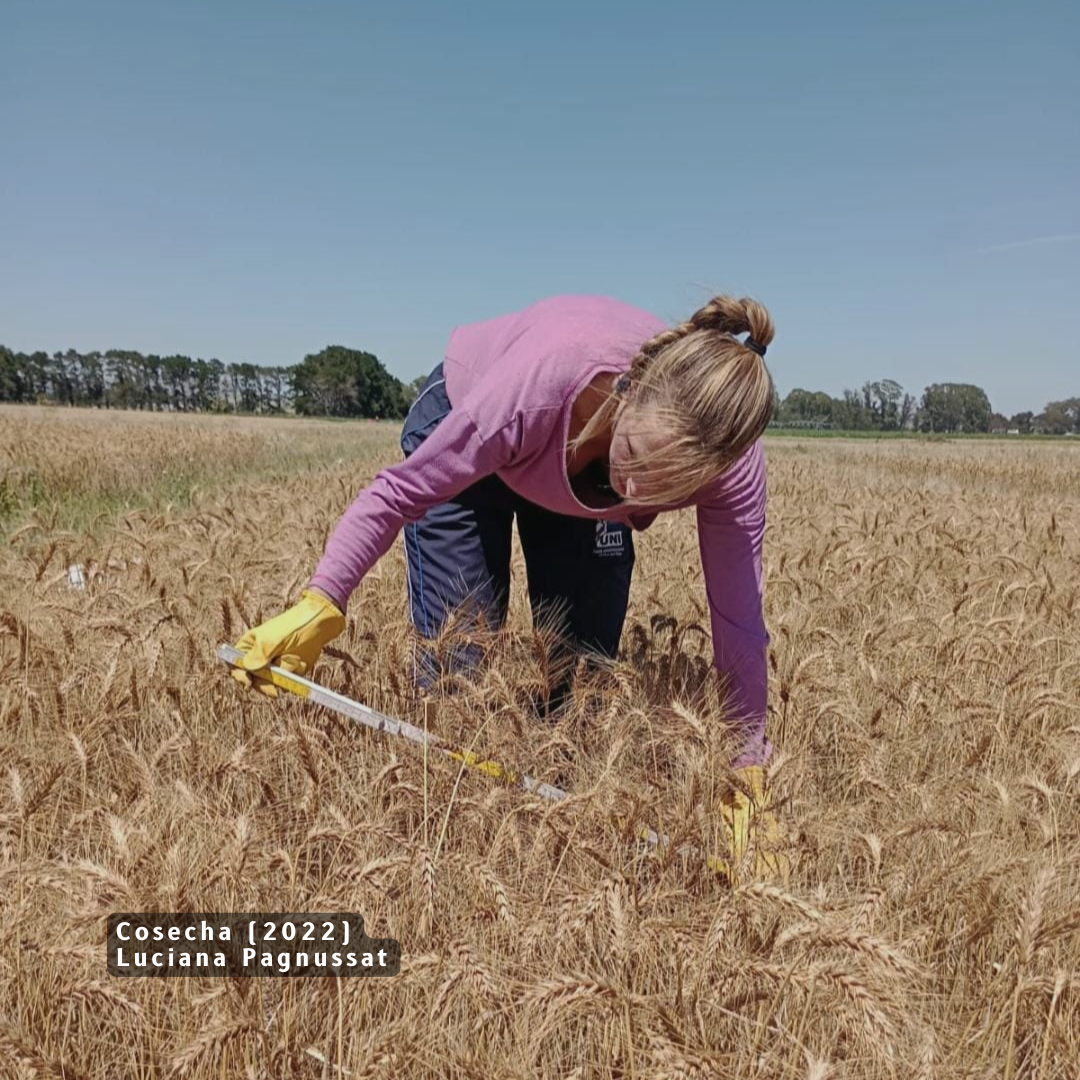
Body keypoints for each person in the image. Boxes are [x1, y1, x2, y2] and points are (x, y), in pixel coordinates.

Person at [230, 293, 788, 883]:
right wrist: (322, 602)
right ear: (631, 389)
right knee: (460, 674)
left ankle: (546, 869)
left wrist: (746, 768)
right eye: (634, 459)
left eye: (665, 486)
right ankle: (449, 864)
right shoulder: (536, 387)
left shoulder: (731, 471)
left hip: (568, 458)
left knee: (581, 690)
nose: (635, 489)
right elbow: (400, 493)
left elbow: (737, 621)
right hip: (482, 416)